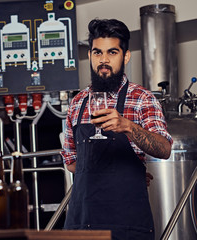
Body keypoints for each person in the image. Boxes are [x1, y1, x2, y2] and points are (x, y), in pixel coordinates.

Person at [61, 19, 172, 240]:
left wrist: (128, 127)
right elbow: (72, 161)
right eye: (97, 53)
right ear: (90, 56)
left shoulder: (142, 98)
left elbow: (164, 149)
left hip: (127, 228)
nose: (103, 60)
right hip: (82, 225)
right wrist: (115, 172)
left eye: (112, 52)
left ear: (126, 56)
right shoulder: (77, 103)